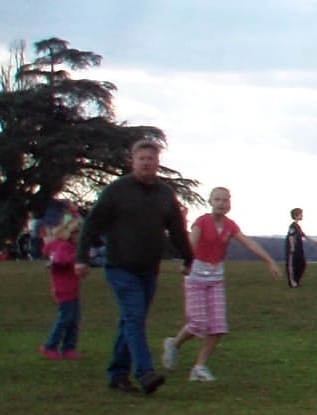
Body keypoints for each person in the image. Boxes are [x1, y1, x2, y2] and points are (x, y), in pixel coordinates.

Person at [80, 138, 193, 395]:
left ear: (157, 163)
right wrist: (81, 258)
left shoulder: (165, 194)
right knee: (134, 317)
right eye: (142, 158)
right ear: (133, 161)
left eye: (151, 159)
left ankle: (117, 375)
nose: (146, 163)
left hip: (149, 269)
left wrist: (188, 258)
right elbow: (91, 225)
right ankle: (144, 373)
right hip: (120, 267)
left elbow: (176, 230)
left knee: (131, 320)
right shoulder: (117, 191)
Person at [160, 186, 282, 384]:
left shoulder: (230, 226)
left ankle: (199, 367)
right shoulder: (202, 222)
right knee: (198, 323)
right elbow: (191, 243)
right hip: (196, 277)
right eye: (217, 199)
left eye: (225, 200)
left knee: (218, 326)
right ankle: (173, 344)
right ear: (210, 202)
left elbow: (249, 243)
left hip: (216, 278)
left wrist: (269, 261)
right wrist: (186, 262)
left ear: (230, 204)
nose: (221, 203)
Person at [39, 211, 90, 359]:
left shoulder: (66, 246)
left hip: (71, 289)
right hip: (64, 289)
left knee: (73, 319)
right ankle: (50, 345)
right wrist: (78, 258)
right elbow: (60, 261)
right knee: (65, 318)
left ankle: (69, 347)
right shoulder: (64, 247)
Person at [284, 208, 309, 287]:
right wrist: (292, 247)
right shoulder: (292, 226)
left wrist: (314, 241)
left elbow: (303, 235)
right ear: (295, 216)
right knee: (292, 265)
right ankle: (292, 283)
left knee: (302, 264)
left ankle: (296, 281)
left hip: (299, 249)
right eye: (300, 214)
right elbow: (291, 236)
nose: (302, 215)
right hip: (293, 249)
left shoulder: (298, 226)